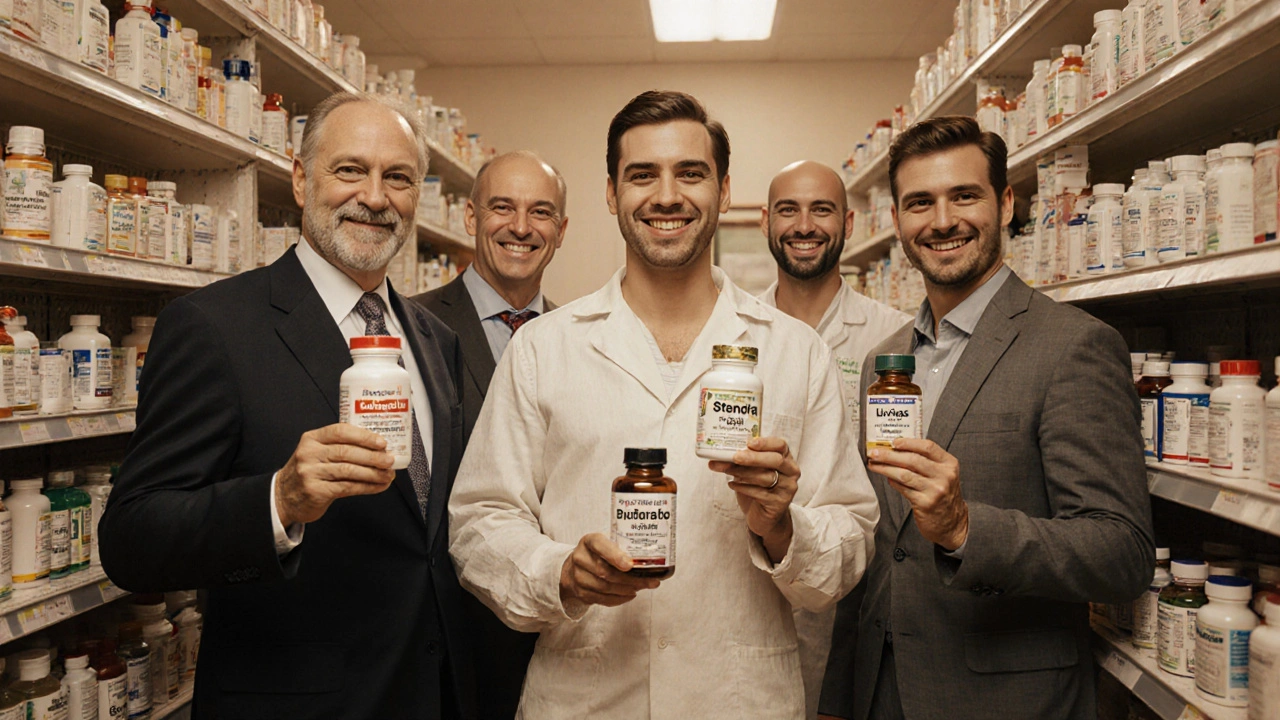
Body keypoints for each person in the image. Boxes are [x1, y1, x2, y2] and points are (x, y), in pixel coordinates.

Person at [448, 90, 879, 719]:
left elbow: (851, 539)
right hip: (584, 698)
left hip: (738, 701)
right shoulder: (543, 347)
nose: (667, 195)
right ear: (611, 193)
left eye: (691, 173)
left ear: (724, 192)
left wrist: (783, 526)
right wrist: (559, 572)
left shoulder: (795, 351)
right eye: (642, 174)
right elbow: (479, 522)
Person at [98, 93, 476, 720]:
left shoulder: (436, 340)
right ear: (301, 180)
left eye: (398, 177)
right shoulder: (214, 327)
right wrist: (278, 501)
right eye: (350, 169)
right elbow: (131, 540)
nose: (375, 197)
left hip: (430, 696)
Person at [818, 116, 1155, 720]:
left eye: (964, 196)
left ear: (1004, 204)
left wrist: (965, 529)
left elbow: (1121, 552)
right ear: (896, 220)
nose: (942, 220)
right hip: (882, 692)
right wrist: (839, 696)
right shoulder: (884, 363)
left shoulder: (1073, 346)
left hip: (1004, 700)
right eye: (920, 202)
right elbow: (877, 538)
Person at [413, 150, 568, 718]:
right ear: (471, 216)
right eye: (502, 207)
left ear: (561, 230)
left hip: (560, 627)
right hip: (448, 638)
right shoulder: (412, 328)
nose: (521, 227)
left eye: (541, 212)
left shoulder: (581, 339)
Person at [758, 160, 908, 720]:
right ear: (766, 222)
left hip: (866, 588)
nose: (804, 225)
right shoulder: (733, 331)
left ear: (847, 223)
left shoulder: (894, 336)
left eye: (821, 209)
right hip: (759, 579)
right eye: (788, 210)